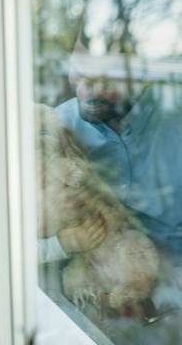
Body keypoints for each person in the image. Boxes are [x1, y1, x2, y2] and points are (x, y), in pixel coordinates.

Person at [39, 33, 182, 310]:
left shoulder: (174, 118)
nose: (88, 90)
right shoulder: (55, 128)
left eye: (104, 79)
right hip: (94, 290)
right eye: (79, 72)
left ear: (138, 76)